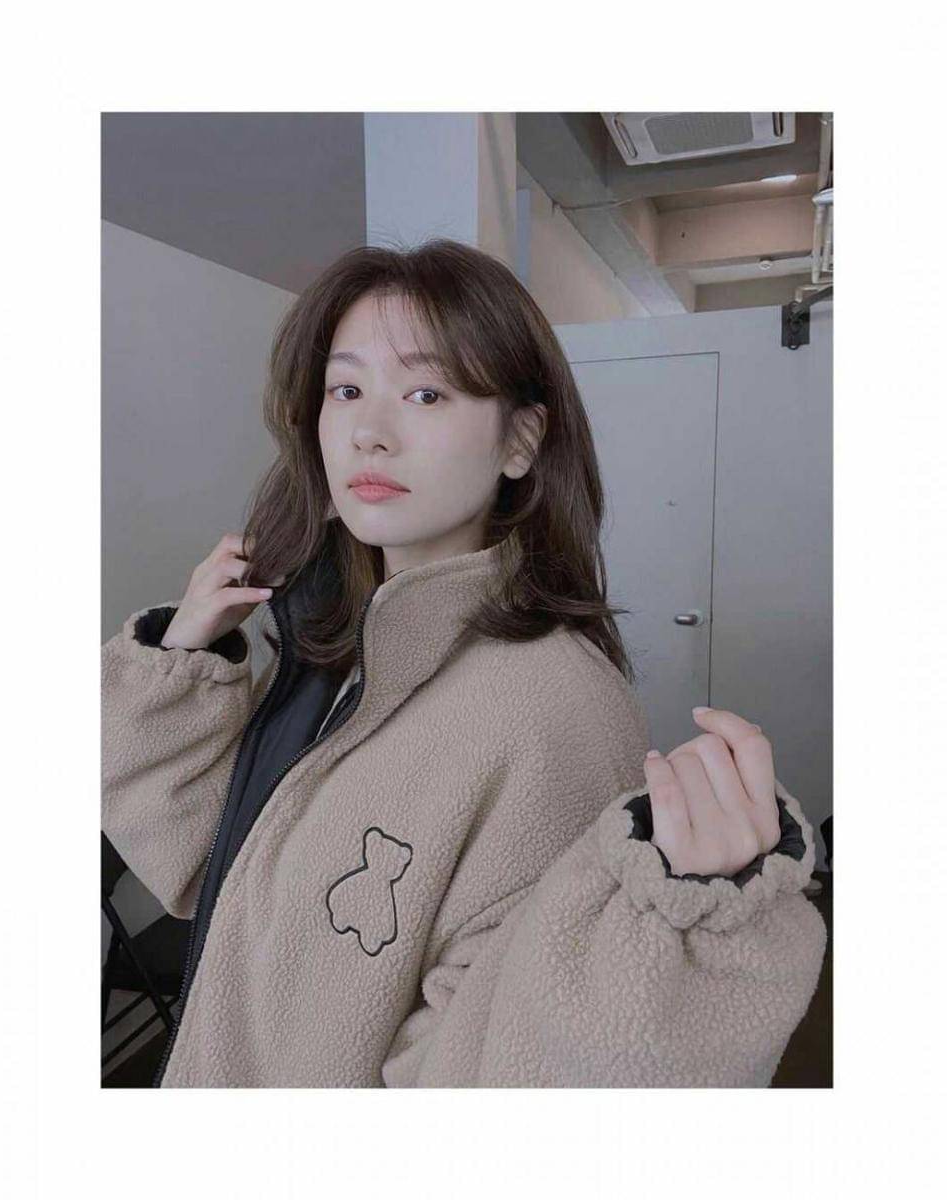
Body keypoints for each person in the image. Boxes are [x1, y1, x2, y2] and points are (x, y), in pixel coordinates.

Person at [101, 239, 826, 1088]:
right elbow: (206, 870)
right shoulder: (334, 645)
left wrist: (689, 916)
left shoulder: (555, 714)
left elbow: (496, 1072)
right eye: (346, 390)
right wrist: (183, 658)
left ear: (520, 440)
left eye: (426, 393)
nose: (369, 433)